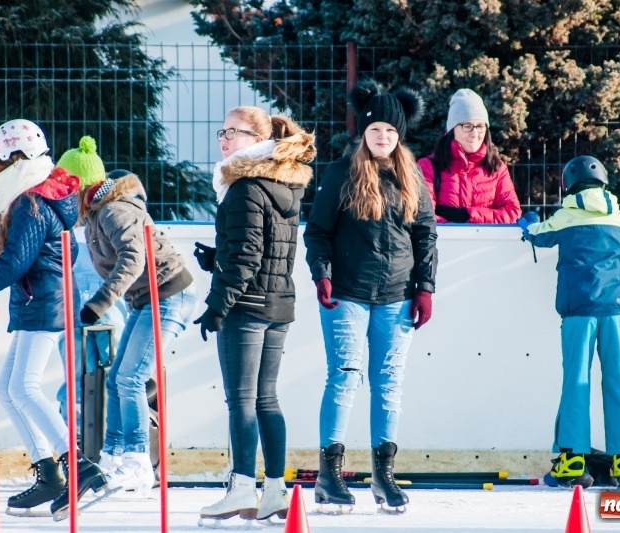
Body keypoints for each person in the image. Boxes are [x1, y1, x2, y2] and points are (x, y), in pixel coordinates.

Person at [303, 79, 437, 511]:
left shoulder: (411, 174)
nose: (383, 137)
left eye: (391, 131)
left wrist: (425, 287)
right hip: (347, 293)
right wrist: (322, 275)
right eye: (376, 129)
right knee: (344, 376)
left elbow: (425, 234)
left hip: (397, 296)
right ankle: (329, 476)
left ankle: (384, 476)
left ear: (400, 135)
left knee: (389, 383)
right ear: (363, 131)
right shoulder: (342, 171)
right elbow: (317, 231)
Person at [0, 119, 106, 516]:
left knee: (24, 388)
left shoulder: (30, 203)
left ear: (15, 159)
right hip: (42, 301)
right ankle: (50, 473)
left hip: (43, 304)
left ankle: (79, 466)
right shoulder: (40, 197)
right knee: (8, 388)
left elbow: (12, 265)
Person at [192, 107, 316, 524]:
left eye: (234, 132)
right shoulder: (281, 182)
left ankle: (243, 488)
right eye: (222, 131)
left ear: (258, 140)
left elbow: (247, 255)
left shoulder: (244, 186)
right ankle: (275, 491)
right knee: (266, 398)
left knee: (242, 400)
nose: (224, 139)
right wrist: (217, 258)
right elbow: (264, 249)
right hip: (277, 303)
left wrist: (217, 305)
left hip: (246, 307)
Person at [518, 155, 620, 488]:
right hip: (616, 310)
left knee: (576, 380)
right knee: (619, 378)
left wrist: (527, 222)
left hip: (579, 312)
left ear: (568, 185)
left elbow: (536, 235)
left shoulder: (565, 216)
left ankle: (572, 460)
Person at [78, 167, 197, 497]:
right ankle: (113, 456)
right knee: (117, 378)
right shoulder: (94, 216)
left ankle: (137, 460)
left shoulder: (114, 211)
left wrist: (100, 302)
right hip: (144, 299)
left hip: (168, 295)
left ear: (83, 187)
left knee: (131, 378)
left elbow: (133, 259)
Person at [54, 136, 128, 455]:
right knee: (74, 380)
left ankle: (115, 445)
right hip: (74, 312)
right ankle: (74, 446)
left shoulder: (108, 214)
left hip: (106, 309)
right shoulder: (66, 220)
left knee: (113, 374)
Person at [418, 89, 521, 224]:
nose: (475, 134)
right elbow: (424, 216)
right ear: (452, 129)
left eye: (480, 126)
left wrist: (469, 215)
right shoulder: (428, 167)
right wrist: (458, 231)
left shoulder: (497, 169)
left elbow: (513, 213)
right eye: (467, 126)